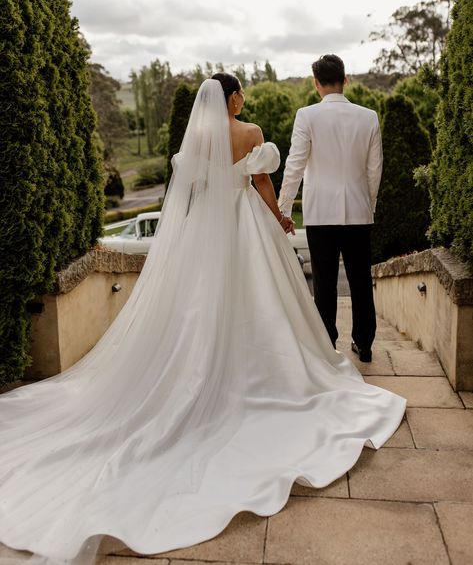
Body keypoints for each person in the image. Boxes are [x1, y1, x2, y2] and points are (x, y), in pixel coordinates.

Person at [0, 75, 405, 565]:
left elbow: (190, 190)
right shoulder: (251, 133)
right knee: (265, 302)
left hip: (207, 234)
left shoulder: (197, 140)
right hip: (248, 227)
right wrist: (279, 218)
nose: (244, 100)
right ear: (232, 97)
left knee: (202, 305)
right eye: (241, 93)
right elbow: (261, 184)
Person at [278, 54, 383, 361]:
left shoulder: (307, 115)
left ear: (316, 84)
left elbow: (294, 166)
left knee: (324, 282)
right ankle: (364, 344)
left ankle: (327, 345)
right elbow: (375, 170)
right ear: (345, 79)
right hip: (359, 211)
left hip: (320, 213)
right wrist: (369, 205)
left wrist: (283, 209)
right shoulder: (369, 117)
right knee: (361, 280)